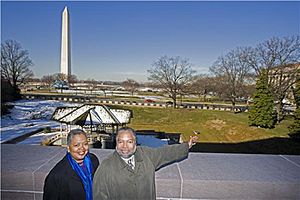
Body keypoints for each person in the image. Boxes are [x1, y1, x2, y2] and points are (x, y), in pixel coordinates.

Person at [93, 127, 198, 200]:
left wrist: (187, 145)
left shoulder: (146, 155)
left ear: (135, 142)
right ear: (116, 143)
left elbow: (166, 153)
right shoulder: (106, 167)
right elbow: (99, 196)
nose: (124, 146)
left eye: (129, 142)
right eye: (121, 142)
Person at [43, 129, 99, 200]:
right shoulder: (57, 175)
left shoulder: (93, 161)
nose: (82, 148)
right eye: (76, 145)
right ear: (68, 148)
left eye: (85, 144)